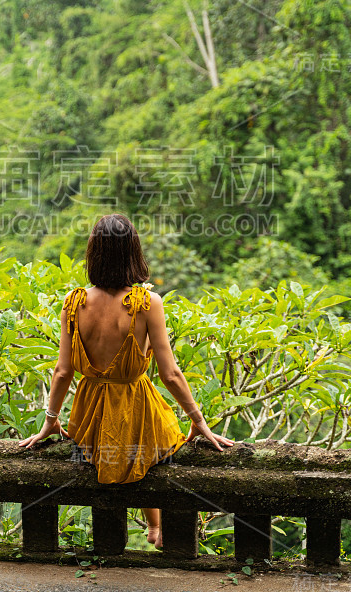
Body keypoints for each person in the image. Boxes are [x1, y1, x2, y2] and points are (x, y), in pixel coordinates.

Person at [19, 213, 234, 549]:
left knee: (114, 452)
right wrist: (199, 421)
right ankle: (155, 526)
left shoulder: (73, 303)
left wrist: (50, 421)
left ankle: (151, 528)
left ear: (93, 253)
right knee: (149, 448)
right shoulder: (147, 304)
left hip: (90, 413)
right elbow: (170, 374)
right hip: (137, 405)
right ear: (134, 252)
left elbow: (62, 372)